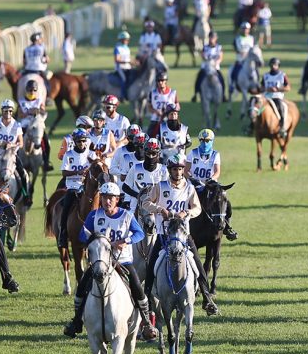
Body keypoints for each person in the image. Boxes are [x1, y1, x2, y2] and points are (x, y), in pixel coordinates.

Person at [63, 182, 159, 340]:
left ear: (117, 200)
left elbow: (139, 233)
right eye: (104, 198)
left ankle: (147, 323)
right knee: (82, 287)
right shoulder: (94, 215)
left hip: (123, 261)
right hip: (100, 261)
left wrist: (125, 241)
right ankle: (76, 321)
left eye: (111, 198)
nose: (107, 201)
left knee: (137, 286)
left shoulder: (126, 215)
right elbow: (82, 235)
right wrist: (96, 239)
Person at [140, 153, 219, 315]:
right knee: (151, 267)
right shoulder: (160, 186)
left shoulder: (189, 188)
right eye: (175, 169)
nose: (178, 172)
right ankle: (146, 298)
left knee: (197, 263)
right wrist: (160, 209)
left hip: (183, 235)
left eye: (180, 169)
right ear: (169, 170)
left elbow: (197, 208)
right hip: (163, 234)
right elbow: (146, 203)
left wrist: (187, 212)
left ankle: (206, 298)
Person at [186, 128, 237, 241]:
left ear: (212, 141)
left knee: (224, 200)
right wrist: (192, 178)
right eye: (203, 140)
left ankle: (227, 226)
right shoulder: (192, 153)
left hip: (210, 184)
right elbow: (186, 170)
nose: (205, 143)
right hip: (194, 184)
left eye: (207, 140)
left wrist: (211, 179)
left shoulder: (215, 155)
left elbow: (217, 171)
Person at [0, 99, 31, 206]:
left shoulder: (17, 125)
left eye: (10, 111)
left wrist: (12, 145)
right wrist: (1, 143)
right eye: (6, 111)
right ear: (2, 111)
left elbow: (20, 143)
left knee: (23, 174)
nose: (8, 113)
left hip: (11, 155)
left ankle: (26, 196)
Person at [57, 129, 92, 245]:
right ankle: (63, 233)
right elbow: (64, 173)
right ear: (75, 142)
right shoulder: (68, 155)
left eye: (83, 141)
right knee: (66, 206)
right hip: (72, 186)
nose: (82, 144)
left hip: (87, 186)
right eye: (79, 141)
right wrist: (78, 172)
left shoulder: (90, 154)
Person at [121, 136, 164, 213]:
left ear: (158, 154)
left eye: (153, 153)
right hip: (136, 207)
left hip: (156, 208)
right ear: (144, 152)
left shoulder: (163, 170)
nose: (151, 156)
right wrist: (138, 195)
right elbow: (125, 187)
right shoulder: (135, 168)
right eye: (148, 153)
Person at [17, 79, 52, 170]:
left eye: (34, 90)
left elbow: (43, 111)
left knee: (46, 141)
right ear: (27, 90)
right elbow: (19, 114)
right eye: (30, 90)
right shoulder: (21, 101)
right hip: (25, 124)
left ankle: (46, 161)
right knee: (17, 140)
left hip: (37, 124)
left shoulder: (39, 101)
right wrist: (29, 112)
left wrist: (38, 110)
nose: (32, 92)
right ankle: (16, 160)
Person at [192, 31, 224, 102]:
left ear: (216, 38)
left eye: (213, 37)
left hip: (215, 67)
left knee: (221, 79)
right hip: (206, 66)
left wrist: (216, 62)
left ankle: (223, 95)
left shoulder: (219, 47)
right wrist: (206, 59)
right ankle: (195, 94)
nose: (211, 39)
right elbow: (203, 55)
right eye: (210, 37)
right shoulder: (205, 47)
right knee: (199, 78)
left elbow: (220, 57)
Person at [261, 57, 290, 137]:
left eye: (275, 65)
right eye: (272, 65)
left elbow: (288, 88)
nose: (274, 66)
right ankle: (252, 125)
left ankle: (282, 126)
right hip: (266, 97)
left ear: (278, 65)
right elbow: (261, 87)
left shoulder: (282, 75)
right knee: (256, 107)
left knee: (281, 107)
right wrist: (267, 89)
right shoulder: (266, 76)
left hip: (277, 97)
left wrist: (277, 89)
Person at [114, 31, 134, 99]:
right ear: (121, 40)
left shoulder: (127, 48)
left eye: (128, 39)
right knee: (124, 79)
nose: (127, 41)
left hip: (128, 67)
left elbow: (129, 58)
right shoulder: (118, 48)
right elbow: (117, 59)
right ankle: (122, 95)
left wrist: (134, 62)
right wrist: (127, 62)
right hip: (120, 68)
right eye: (126, 39)